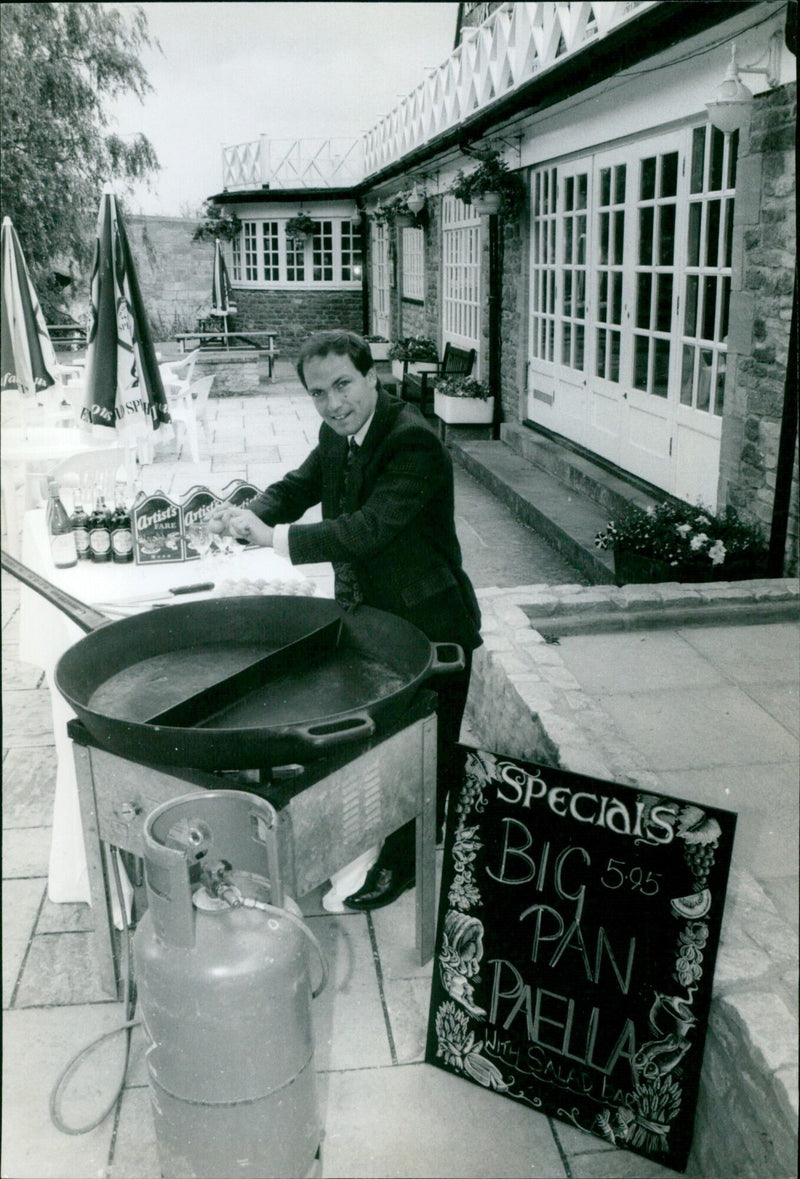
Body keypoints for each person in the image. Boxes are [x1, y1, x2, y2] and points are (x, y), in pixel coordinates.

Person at [207, 329, 482, 910]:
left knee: (422, 748)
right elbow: (300, 485)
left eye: (343, 385)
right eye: (318, 393)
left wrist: (275, 538)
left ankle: (405, 865)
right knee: (386, 738)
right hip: (376, 617)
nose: (333, 403)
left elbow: (367, 530)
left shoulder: (413, 442)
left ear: (371, 376)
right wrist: (248, 513)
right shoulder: (339, 433)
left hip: (433, 623)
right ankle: (372, 833)